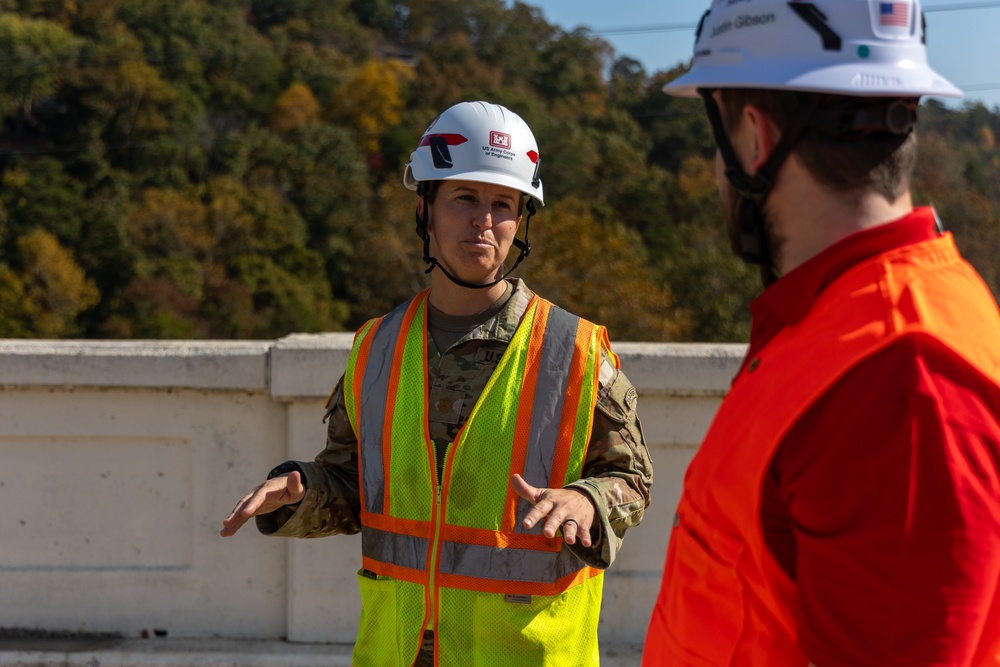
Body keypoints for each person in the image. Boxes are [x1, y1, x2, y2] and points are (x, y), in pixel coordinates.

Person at [221, 101, 653, 666]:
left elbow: (632, 480)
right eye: (464, 199)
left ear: (521, 220)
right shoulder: (378, 348)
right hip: (399, 650)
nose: (483, 220)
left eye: (503, 204)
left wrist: (588, 499)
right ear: (426, 210)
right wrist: (302, 487)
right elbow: (355, 485)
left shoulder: (571, 349)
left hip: (525, 653)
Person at [642, 1, 1000, 665]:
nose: (718, 170)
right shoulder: (841, 326)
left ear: (756, 137)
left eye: (715, 138)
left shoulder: (900, 377)